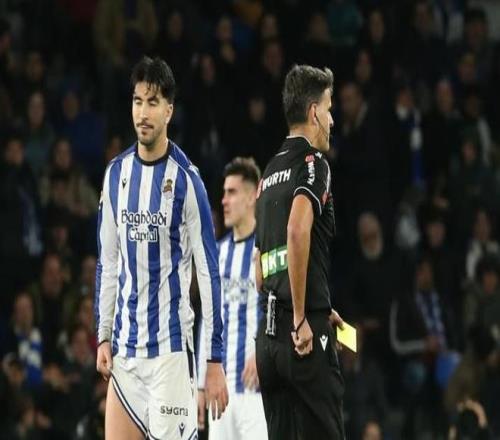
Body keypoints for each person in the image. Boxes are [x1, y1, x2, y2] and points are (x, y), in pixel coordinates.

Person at [95, 56, 228, 440]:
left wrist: (214, 358)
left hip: (169, 356)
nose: (143, 112)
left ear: (169, 110)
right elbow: (108, 262)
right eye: (138, 101)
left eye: (152, 102)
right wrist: (103, 334)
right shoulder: (115, 175)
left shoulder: (187, 182)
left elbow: (208, 271)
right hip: (125, 355)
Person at [254, 64, 345, 439]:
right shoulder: (314, 163)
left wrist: (320, 303)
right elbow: (296, 229)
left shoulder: (267, 174)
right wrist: (304, 316)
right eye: (329, 109)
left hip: (268, 344)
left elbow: (259, 272)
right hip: (300, 336)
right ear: (313, 112)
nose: (332, 120)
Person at [198, 157, 268, 439]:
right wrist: (200, 385)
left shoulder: (268, 249)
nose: (224, 200)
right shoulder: (217, 253)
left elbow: (282, 308)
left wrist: (263, 352)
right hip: (221, 392)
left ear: (251, 197)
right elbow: (208, 321)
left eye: (232, 192)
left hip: (257, 391)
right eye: (224, 192)